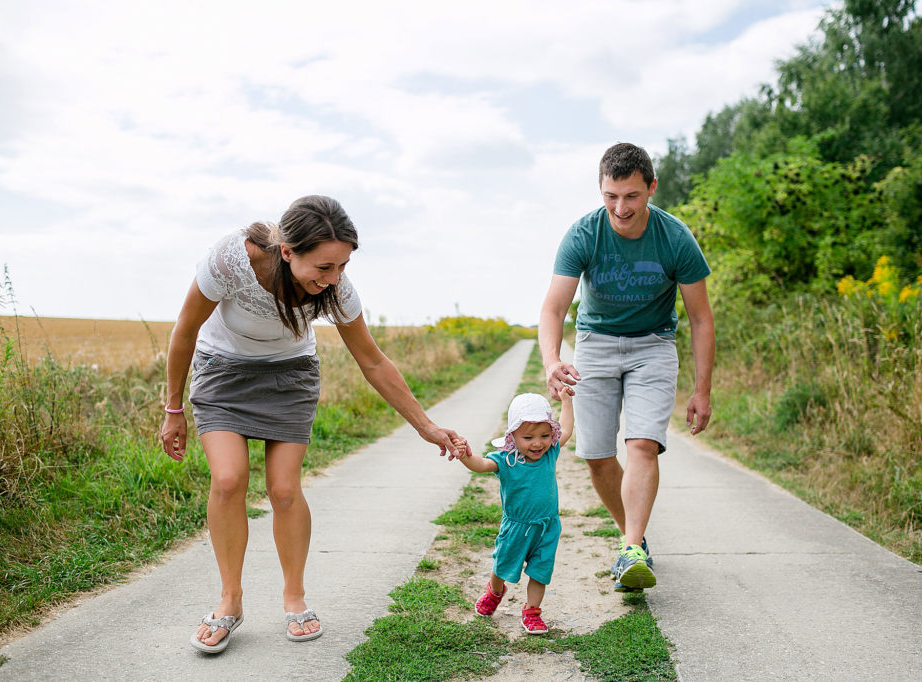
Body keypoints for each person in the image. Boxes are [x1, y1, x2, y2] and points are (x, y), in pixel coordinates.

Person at [160, 195, 469, 654]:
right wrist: (173, 410)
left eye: (342, 266)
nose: (334, 279)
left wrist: (424, 425)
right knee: (228, 480)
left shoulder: (337, 291)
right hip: (223, 371)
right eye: (325, 267)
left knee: (284, 490)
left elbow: (373, 361)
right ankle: (230, 601)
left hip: (290, 378)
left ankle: (294, 597)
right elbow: (185, 330)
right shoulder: (231, 259)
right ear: (287, 251)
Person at [538, 142, 715, 592]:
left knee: (641, 445)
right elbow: (554, 308)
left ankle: (632, 548)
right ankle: (632, 540)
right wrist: (553, 360)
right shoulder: (583, 234)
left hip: (653, 346)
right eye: (611, 196)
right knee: (597, 456)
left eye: (632, 196)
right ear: (601, 190)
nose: (621, 207)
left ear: (651, 188)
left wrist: (702, 390)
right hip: (595, 344)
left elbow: (700, 318)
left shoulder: (675, 238)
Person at [451, 391, 573, 635]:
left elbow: (567, 430)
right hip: (516, 527)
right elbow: (481, 465)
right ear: (512, 437)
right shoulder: (505, 460)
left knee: (540, 571)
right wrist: (465, 455)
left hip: (547, 527)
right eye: (528, 437)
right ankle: (495, 591)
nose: (537, 443)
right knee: (502, 565)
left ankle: (532, 612)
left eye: (545, 436)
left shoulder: (551, 453)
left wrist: (568, 401)